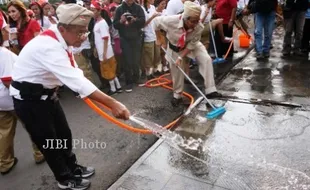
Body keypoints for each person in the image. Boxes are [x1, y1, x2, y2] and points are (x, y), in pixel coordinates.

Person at [10, 4, 130, 190]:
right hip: (29, 101)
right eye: (79, 33)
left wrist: (90, 92)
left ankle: (73, 168)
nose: (83, 37)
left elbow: (75, 72)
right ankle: (64, 178)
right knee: (50, 142)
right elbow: (76, 80)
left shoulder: (62, 39)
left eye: (85, 32)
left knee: (63, 135)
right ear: (62, 28)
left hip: (47, 94)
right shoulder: (48, 46)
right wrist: (112, 103)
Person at [153, 1, 222, 107]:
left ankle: (210, 90)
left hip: (191, 44)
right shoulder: (171, 20)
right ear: (186, 18)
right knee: (177, 71)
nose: (195, 24)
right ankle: (177, 96)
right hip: (175, 46)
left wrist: (181, 56)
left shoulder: (199, 27)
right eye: (193, 21)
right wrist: (159, 38)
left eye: (197, 21)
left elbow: (192, 45)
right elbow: (156, 22)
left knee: (206, 59)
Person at [113, 0, 146, 92]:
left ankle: (136, 78)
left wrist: (135, 20)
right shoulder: (119, 9)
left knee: (136, 59)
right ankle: (129, 82)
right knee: (127, 60)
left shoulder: (138, 8)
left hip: (136, 37)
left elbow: (143, 21)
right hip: (124, 38)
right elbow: (115, 25)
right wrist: (121, 21)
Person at [91, 0, 122, 95]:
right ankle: (118, 87)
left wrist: (104, 53)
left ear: (99, 11)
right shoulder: (97, 22)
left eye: (93, 10)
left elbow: (105, 38)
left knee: (108, 70)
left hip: (106, 51)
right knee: (110, 69)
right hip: (103, 50)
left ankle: (113, 89)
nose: (92, 12)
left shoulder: (102, 23)